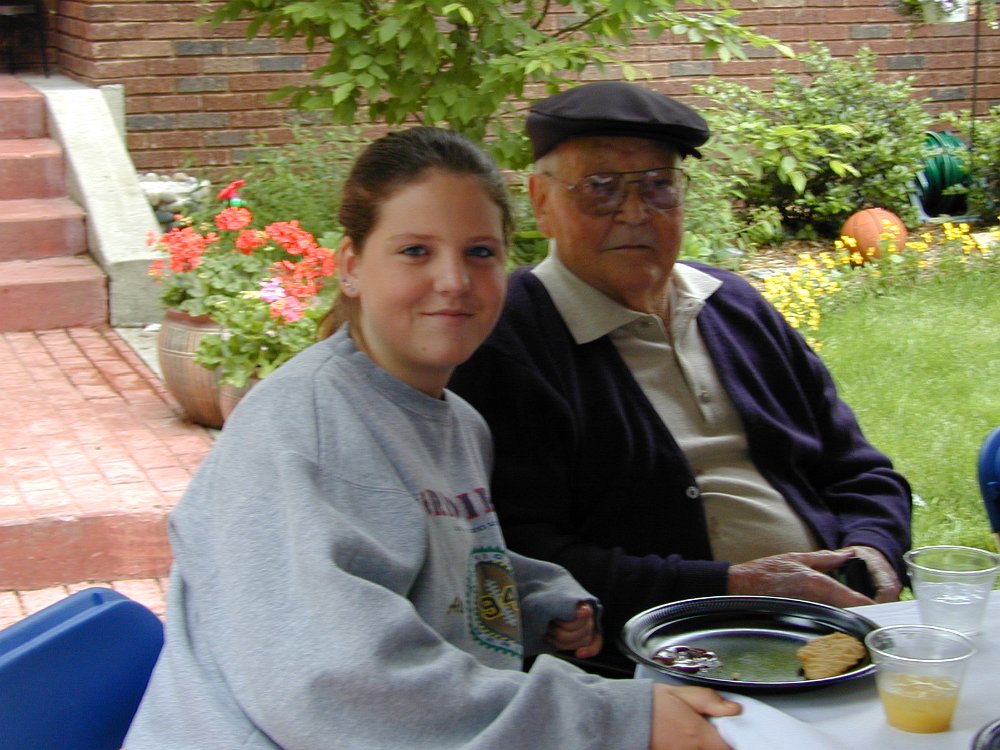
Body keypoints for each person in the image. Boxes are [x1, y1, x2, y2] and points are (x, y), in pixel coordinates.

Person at [124, 126, 741, 749]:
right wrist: (616, 720)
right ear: (351, 267)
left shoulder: (457, 422)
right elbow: (341, 689)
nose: (454, 280)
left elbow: (443, 559)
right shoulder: (299, 428)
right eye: (416, 251)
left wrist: (534, 596)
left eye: (480, 253)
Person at [448, 82, 913, 676]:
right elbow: (522, 556)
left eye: (658, 185)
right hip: (661, 664)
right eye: (601, 187)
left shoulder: (734, 304)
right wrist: (730, 585)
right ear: (541, 203)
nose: (635, 212)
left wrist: (873, 549)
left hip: (826, 632)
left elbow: (860, 469)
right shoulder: (509, 341)